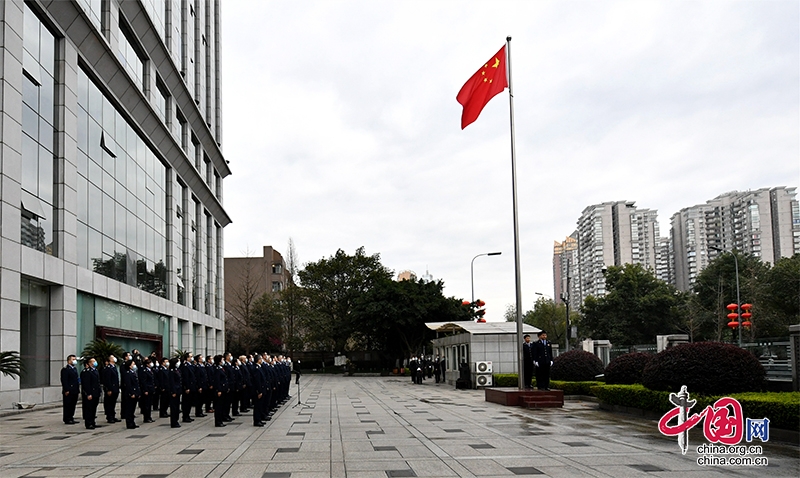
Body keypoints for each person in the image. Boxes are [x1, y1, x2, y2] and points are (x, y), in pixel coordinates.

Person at [80, 357, 101, 429]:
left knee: (93, 408)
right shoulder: (86, 372)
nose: (95, 362)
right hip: (90, 393)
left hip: (96, 393)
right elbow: (86, 384)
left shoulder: (95, 370)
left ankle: (93, 422)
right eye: (93, 361)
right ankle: (88, 423)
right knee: (89, 408)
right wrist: (88, 393)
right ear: (89, 363)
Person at [120, 359, 141, 429]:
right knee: (129, 409)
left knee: (132, 409)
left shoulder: (133, 372)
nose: (134, 365)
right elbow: (128, 385)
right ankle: (129, 423)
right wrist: (131, 393)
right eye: (133, 364)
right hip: (130, 394)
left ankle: (132, 422)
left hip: (135, 392)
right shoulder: (127, 373)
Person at [60, 354, 80, 425]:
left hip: (75, 390)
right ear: (69, 361)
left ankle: (71, 417)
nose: (74, 361)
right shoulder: (65, 369)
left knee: (73, 405)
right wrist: (66, 390)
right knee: (68, 405)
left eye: (75, 359)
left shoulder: (74, 369)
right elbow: (64, 381)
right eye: (73, 359)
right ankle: (67, 418)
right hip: (69, 390)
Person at [101, 355, 121, 423]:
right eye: (112, 358)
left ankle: (113, 416)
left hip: (115, 388)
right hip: (111, 389)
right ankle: (109, 417)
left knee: (113, 403)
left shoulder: (114, 367)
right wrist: (108, 389)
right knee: (109, 403)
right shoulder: (108, 368)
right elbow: (107, 380)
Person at [212, 354, 229, 427]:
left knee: (222, 405)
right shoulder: (217, 369)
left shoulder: (221, 368)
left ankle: (221, 419)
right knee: (218, 406)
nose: (223, 361)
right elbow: (217, 381)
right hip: (220, 390)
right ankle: (218, 421)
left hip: (223, 389)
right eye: (222, 359)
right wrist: (219, 390)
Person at [138, 357, 155, 423]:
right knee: (146, 405)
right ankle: (146, 417)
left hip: (150, 389)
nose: (151, 364)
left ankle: (149, 416)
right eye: (150, 363)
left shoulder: (150, 370)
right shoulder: (144, 371)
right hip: (147, 389)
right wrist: (145, 390)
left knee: (149, 404)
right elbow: (143, 381)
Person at [180, 353, 196, 423]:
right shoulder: (185, 366)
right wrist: (186, 387)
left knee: (189, 402)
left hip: (192, 386)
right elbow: (185, 378)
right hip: (188, 387)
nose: (192, 358)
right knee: (186, 402)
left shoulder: (191, 365)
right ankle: (185, 416)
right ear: (187, 358)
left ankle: (188, 415)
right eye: (190, 357)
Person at [167, 358, 182, 428]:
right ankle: (173, 422)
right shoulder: (171, 371)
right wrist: (173, 391)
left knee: (177, 407)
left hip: (178, 390)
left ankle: (176, 420)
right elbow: (172, 382)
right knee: (174, 407)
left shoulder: (177, 370)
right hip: (174, 391)